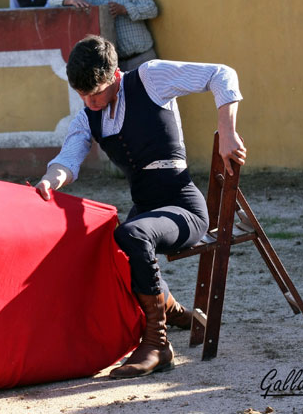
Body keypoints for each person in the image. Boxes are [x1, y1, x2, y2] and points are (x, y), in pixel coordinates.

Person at [35, 35, 246, 378]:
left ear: (115, 76)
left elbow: (222, 74)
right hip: (146, 211)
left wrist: (227, 131)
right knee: (107, 240)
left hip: (184, 208)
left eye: (95, 93)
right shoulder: (88, 116)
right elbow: (67, 159)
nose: (89, 102)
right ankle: (173, 310)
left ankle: (158, 343)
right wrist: (49, 180)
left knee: (130, 233)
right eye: (81, 95)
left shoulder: (150, 78)